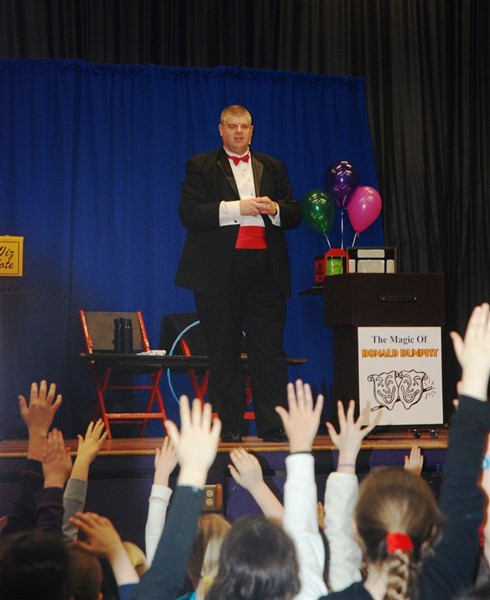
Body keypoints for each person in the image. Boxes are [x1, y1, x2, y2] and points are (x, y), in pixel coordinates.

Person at [322, 301, 490, 600]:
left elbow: (461, 494)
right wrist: (475, 384)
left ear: (355, 531)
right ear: (430, 536)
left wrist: (345, 461)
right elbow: (461, 491)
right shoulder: (448, 581)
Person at [175, 104, 302, 442]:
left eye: (244, 126)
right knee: (223, 348)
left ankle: (273, 425)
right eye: (232, 126)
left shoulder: (272, 166)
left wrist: (274, 209)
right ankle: (230, 426)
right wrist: (237, 209)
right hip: (220, 272)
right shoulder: (201, 166)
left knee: (269, 350)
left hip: (265, 270)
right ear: (220, 129)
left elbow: (294, 213)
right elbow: (189, 213)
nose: (238, 132)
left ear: (252, 129)